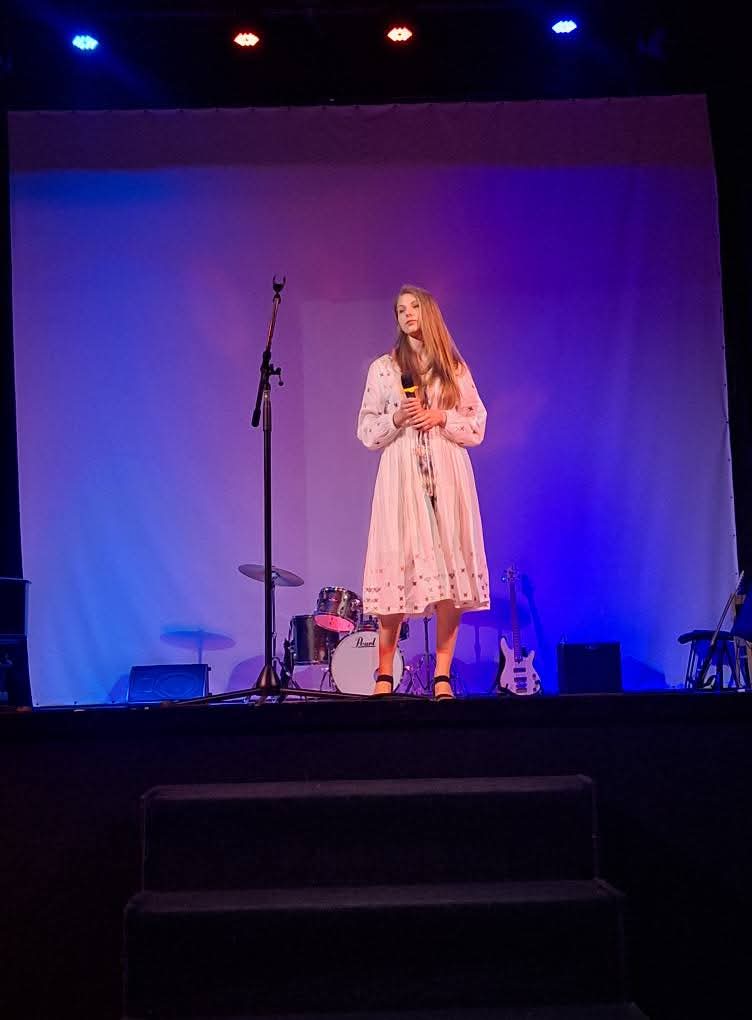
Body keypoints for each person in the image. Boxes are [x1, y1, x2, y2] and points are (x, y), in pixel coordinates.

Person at [357, 285, 490, 699]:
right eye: (400, 309)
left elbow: (477, 425)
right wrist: (397, 416)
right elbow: (366, 431)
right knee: (396, 566)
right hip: (401, 477)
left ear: (428, 312)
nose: (407, 313)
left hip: (446, 475)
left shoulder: (452, 367)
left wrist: (440, 417)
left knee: (449, 572)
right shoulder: (384, 368)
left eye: (414, 306)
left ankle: (442, 675)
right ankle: (384, 673)